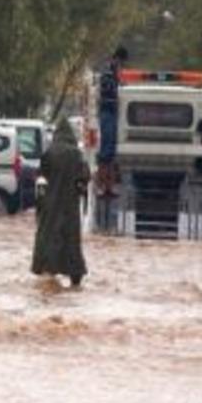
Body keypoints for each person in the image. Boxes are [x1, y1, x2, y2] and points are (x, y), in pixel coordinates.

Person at [31, 119, 89, 287]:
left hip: (51, 204)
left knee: (49, 237)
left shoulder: (49, 153)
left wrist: (40, 203)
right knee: (71, 240)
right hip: (70, 206)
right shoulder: (76, 154)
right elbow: (84, 177)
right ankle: (75, 276)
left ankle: (49, 272)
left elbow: (41, 177)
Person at [97, 46, 128, 196]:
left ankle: (108, 187)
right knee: (105, 151)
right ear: (117, 58)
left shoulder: (115, 72)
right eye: (121, 61)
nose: (122, 65)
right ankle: (102, 186)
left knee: (111, 152)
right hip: (107, 113)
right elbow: (110, 91)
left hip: (113, 113)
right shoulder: (108, 72)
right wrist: (119, 83)